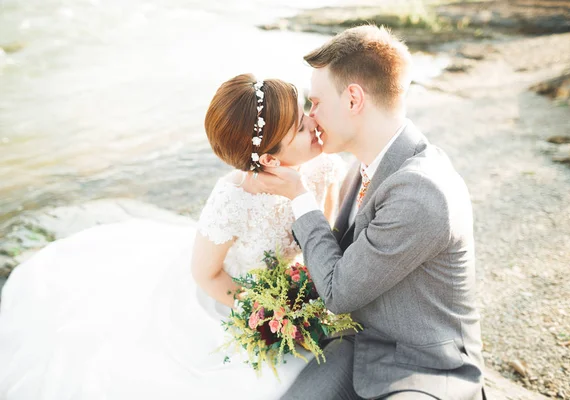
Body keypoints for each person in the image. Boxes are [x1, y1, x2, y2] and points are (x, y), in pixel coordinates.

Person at [0, 74, 346, 399]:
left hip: (286, 285)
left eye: (304, 114)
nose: (313, 123)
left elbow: (323, 236)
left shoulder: (323, 168)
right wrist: (267, 312)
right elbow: (206, 274)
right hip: (230, 294)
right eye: (301, 128)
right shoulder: (233, 200)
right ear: (270, 159)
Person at [256, 25, 486, 400]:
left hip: (423, 368)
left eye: (316, 102)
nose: (311, 117)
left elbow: (339, 292)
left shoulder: (421, 191)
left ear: (353, 99)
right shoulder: (361, 168)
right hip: (362, 346)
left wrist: (299, 196)